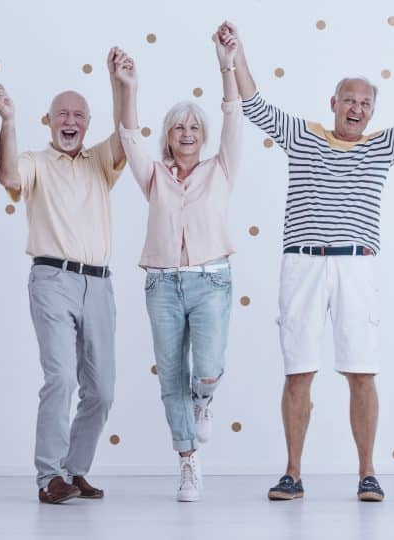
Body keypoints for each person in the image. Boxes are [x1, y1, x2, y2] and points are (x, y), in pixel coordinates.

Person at [217, 20, 394, 501]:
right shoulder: (304, 136)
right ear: (334, 103)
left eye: (366, 103)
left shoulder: (382, 145)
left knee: (362, 372)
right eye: (350, 100)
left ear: (371, 112)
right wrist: (236, 52)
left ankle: (367, 472)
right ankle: (293, 474)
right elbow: (255, 104)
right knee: (298, 371)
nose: (357, 109)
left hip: (356, 266)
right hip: (302, 263)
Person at [113, 31, 242, 502]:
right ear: (168, 136)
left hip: (211, 281)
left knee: (205, 369)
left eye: (193, 128)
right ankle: (187, 461)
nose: (186, 135)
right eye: (177, 128)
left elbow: (233, 114)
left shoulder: (221, 168)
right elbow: (128, 136)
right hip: (162, 285)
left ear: (203, 136)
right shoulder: (154, 177)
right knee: (170, 375)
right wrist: (128, 86)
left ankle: (203, 401)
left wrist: (226, 63)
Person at [0, 50, 126, 504]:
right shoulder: (35, 161)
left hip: (101, 284)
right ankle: (49, 475)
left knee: (103, 389)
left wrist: (121, 83)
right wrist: (7, 121)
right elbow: (8, 174)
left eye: (79, 116)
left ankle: (75, 469)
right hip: (52, 278)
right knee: (61, 378)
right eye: (62, 114)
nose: (70, 121)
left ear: (87, 124)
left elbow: (127, 134)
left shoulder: (100, 162)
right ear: (49, 120)